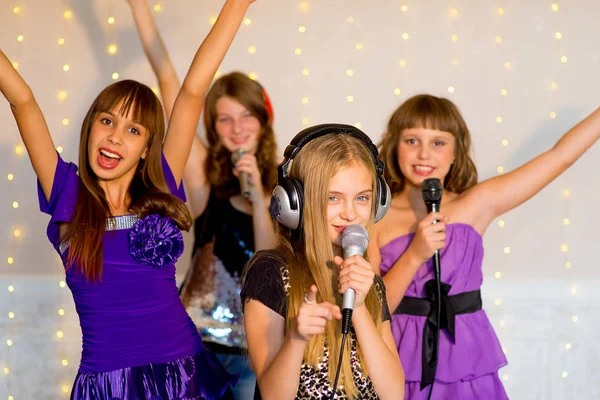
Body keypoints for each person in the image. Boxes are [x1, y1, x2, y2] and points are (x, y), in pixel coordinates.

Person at [0, 0, 256, 397]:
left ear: (145, 149)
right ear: (90, 129)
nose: (116, 136)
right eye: (107, 121)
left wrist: (237, 6)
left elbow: (191, 92)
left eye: (133, 130)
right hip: (108, 386)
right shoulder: (66, 192)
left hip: (183, 376)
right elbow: (23, 101)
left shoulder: (163, 188)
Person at [368, 94, 600, 399]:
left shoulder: (476, 204)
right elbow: (372, 308)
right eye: (412, 140)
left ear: (455, 152)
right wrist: (415, 255)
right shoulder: (374, 217)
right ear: (394, 147)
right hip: (396, 355)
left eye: (438, 143)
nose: (424, 154)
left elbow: (559, 156)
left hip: (464, 354)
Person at [127, 1, 279, 397]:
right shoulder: (202, 174)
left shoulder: (286, 181)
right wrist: (137, 6)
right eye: (224, 119)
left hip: (254, 349)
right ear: (212, 126)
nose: (237, 128)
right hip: (191, 344)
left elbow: (270, 266)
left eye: (247, 116)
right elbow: (169, 80)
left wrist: (259, 198)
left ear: (264, 120)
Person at [241, 124, 405, 399]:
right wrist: (296, 338)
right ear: (298, 203)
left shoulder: (370, 284)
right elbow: (274, 395)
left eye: (362, 198)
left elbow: (394, 393)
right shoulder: (270, 271)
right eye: (333, 198)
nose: (350, 214)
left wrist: (361, 308)